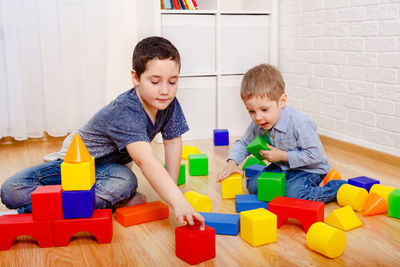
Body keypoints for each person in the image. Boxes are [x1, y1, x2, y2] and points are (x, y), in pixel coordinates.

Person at [1, 36, 205, 228]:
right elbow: (146, 160)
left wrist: (171, 191)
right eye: (155, 82)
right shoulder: (127, 110)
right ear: (136, 78)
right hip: (76, 164)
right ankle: (41, 208)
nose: (165, 90)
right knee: (11, 190)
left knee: (124, 181)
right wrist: (177, 201)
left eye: (172, 82)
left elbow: (172, 141)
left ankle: (104, 199)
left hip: (110, 170)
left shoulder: (169, 104)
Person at [216, 64, 346, 203]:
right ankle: (284, 187)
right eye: (252, 111)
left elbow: (315, 155)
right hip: (281, 168)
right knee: (253, 186)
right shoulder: (258, 124)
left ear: (282, 101)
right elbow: (243, 143)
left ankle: (339, 188)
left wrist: (283, 155)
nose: (258, 117)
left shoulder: (299, 123)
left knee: (296, 195)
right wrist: (232, 163)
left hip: (308, 170)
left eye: (264, 109)